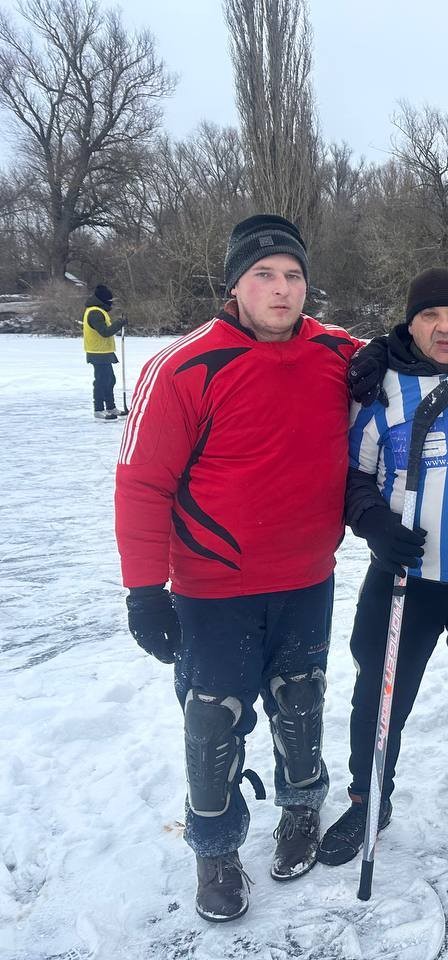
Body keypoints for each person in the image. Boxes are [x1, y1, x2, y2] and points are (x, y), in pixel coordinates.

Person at [115, 214, 361, 922]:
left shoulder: (342, 353)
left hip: (307, 576)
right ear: (235, 284)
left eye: (293, 276)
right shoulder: (184, 366)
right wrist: (142, 589)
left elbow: (419, 353)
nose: (281, 289)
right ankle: (215, 847)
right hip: (212, 588)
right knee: (214, 722)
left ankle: (301, 810)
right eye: (264, 275)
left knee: (301, 699)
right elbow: (140, 483)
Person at [315, 268, 448, 867]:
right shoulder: (382, 386)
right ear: (409, 325)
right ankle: (368, 797)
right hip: (405, 579)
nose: (445, 328)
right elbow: (354, 473)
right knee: (382, 693)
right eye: (430, 317)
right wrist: (374, 524)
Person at [83, 283, 126, 420]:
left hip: (104, 352)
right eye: (110, 301)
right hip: (97, 352)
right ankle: (99, 409)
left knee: (110, 380)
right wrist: (119, 323)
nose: (111, 304)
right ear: (103, 300)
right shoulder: (95, 313)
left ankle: (111, 407)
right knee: (101, 380)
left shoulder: (99, 311)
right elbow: (105, 332)